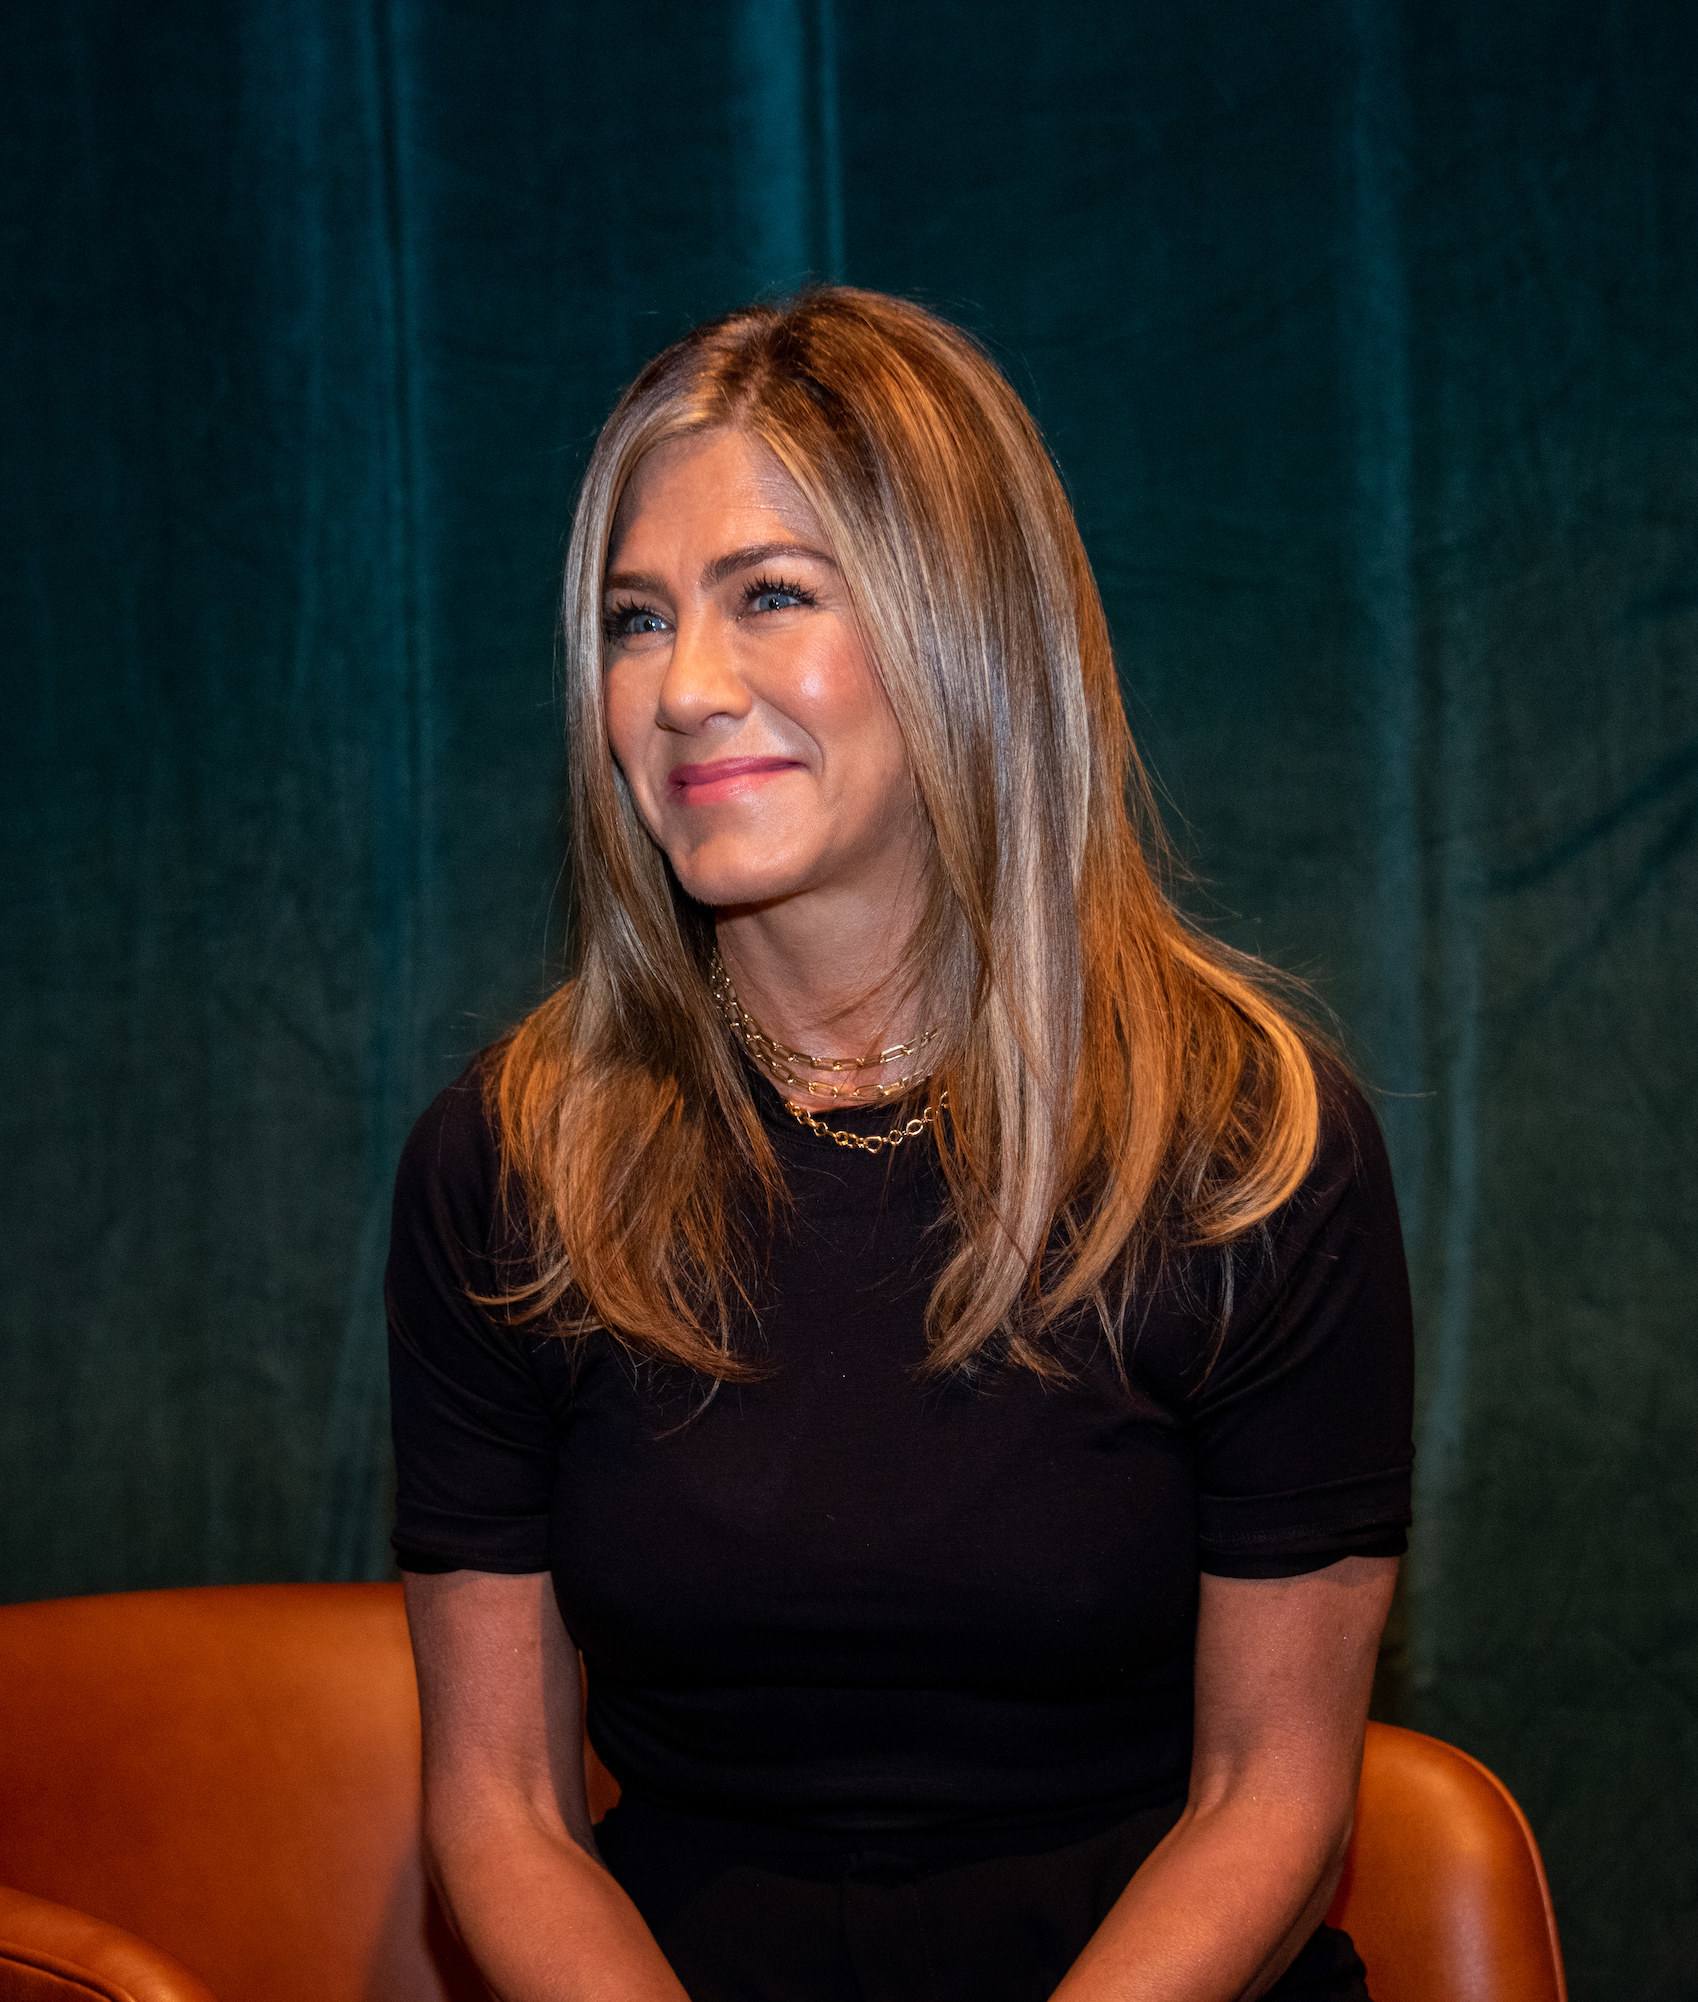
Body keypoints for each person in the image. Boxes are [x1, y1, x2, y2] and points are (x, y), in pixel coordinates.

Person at [385, 287, 1413, 2002]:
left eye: (768, 596)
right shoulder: (509, 1166)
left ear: (966, 629)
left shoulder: (1254, 1144)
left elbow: (1273, 1798)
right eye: (636, 621)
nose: (684, 688)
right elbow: (499, 1809)